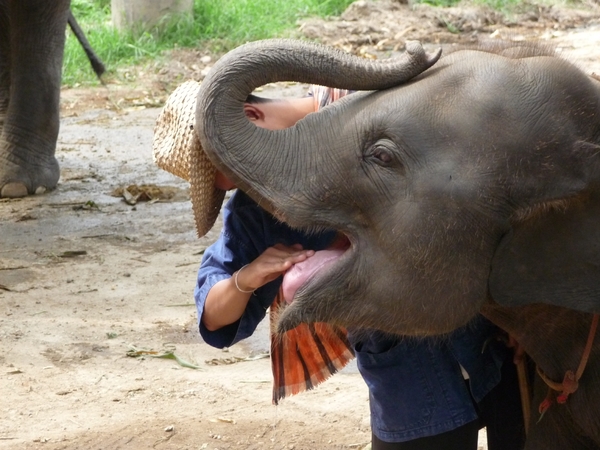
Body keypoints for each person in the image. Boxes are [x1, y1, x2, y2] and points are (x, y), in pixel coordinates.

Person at [152, 81, 526, 450]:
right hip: (411, 384)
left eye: (230, 173)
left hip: (498, 341)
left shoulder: (375, 101)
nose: (241, 186)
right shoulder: (257, 207)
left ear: (250, 118)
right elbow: (216, 319)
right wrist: (247, 278)